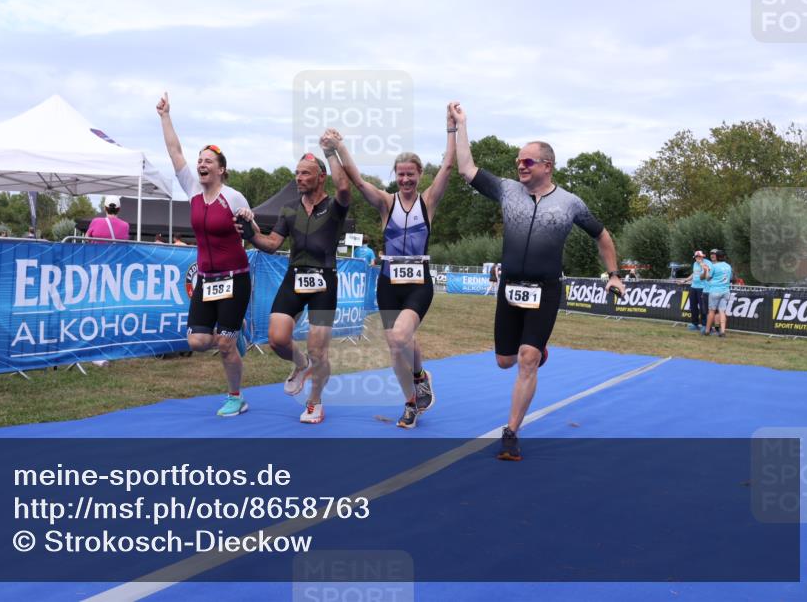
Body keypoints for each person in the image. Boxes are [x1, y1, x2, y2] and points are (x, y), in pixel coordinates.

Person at [452, 102, 626, 461]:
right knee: (505, 361)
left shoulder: (570, 203)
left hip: (545, 289)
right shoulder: (506, 190)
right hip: (510, 288)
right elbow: (465, 168)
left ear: (547, 165)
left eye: (527, 161)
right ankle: (536, 349)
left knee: (526, 358)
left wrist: (614, 276)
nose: (520, 165)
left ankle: (511, 431)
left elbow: (603, 236)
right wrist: (460, 125)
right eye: (518, 161)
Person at [331, 106, 455, 429]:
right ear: (395, 176)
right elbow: (357, 182)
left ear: (419, 175)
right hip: (387, 282)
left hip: (418, 282)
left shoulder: (428, 202)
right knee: (396, 344)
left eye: (410, 174)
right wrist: (340, 147)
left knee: (401, 336)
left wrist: (451, 130)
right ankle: (411, 399)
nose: (405, 179)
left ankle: (419, 377)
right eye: (400, 174)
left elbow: (449, 166)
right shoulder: (386, 203)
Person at [238, 132, 352, 424]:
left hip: (324, 280)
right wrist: (250, 233)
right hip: (294, 276)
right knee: (276, 339)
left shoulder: (335, 206)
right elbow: (273, 243)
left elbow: (344, 185)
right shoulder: (289, 209)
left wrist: (330, 151)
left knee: (318, 350)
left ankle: (314, 402)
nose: (299, 178)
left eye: (305, 173)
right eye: (297, 173)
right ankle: (300, 364)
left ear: (320, 177)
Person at [157, 92, 253, 417]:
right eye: (200, 161)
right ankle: (234, 332)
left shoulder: (234, 197)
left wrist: (249, 222)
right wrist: (165, 116)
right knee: (197, 342)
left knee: (224, 345)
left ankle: (236, 396)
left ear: (222, 170)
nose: (201, 164)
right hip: (206, 280)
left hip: (235, 279)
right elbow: (174, 151)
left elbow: (249, 233)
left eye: (208, 161)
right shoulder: (192, 190)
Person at [702, 249, 733, 338]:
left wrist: (706, 270)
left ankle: (707, 331)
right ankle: (722, 331)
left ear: (717, 257)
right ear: (724, 257)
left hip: (715, 290)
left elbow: (708, 278)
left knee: (711, 311)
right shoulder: (728, 266)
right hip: (725, 291)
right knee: (722, 311)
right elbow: (730, 278)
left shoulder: (714, 266)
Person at [680, 250, 710, 331]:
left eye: (699, 256)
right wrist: (685, 280)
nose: (698, 258)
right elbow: (694, 274)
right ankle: (694, 324)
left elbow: (706, 274)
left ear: (703, 256)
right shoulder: (695, 264)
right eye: (696, 257)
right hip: (693, 287)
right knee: (693, 306)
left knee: (703, 308)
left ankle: (704, 325)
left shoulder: (707, 263)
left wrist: (701, 264)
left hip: (703, 288)